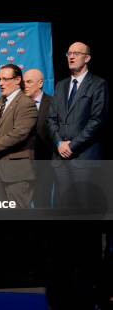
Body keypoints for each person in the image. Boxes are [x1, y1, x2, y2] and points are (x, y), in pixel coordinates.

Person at [47, 42, 109, 209]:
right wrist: (59, 143)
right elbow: (51, 119)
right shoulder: (60, 85)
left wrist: (72, 146)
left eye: (76, 53)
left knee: (85, 210)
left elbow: (97, 121)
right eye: (69, 53)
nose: (71, 56)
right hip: (60, 158)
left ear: (87, 58)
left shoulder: (98, 84)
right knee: (64, 209)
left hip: (84, 158)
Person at [0, 64, 37, 208]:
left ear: (18, 80)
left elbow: (19, 133)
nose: (0, 83)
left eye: (5, 79)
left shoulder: (26, 103)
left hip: (17, 172)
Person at [24, 68, 55, 208]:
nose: (25, 85)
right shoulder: (17, 104)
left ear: (40, 83)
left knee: (43, 205)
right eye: (24, 82)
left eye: (29, 82)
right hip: (21, 165)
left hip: (45, 164)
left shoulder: (54, 103)